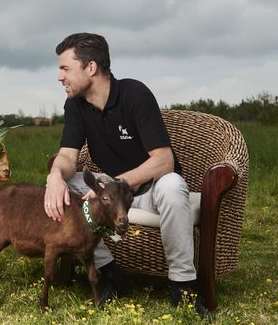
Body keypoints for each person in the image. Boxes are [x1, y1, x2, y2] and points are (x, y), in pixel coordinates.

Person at [44, 32, 211, 319]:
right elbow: (68, 157)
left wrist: (110, 186)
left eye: (65, 68)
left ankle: (183, 287)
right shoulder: (75, 104)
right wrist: (54, 177)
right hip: (112, 197)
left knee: (173, 186)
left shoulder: (134, 94)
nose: (60, 76)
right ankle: (110, 274)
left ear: (91, 68)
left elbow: (164, 161)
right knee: (66, 185)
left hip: (149, 192)